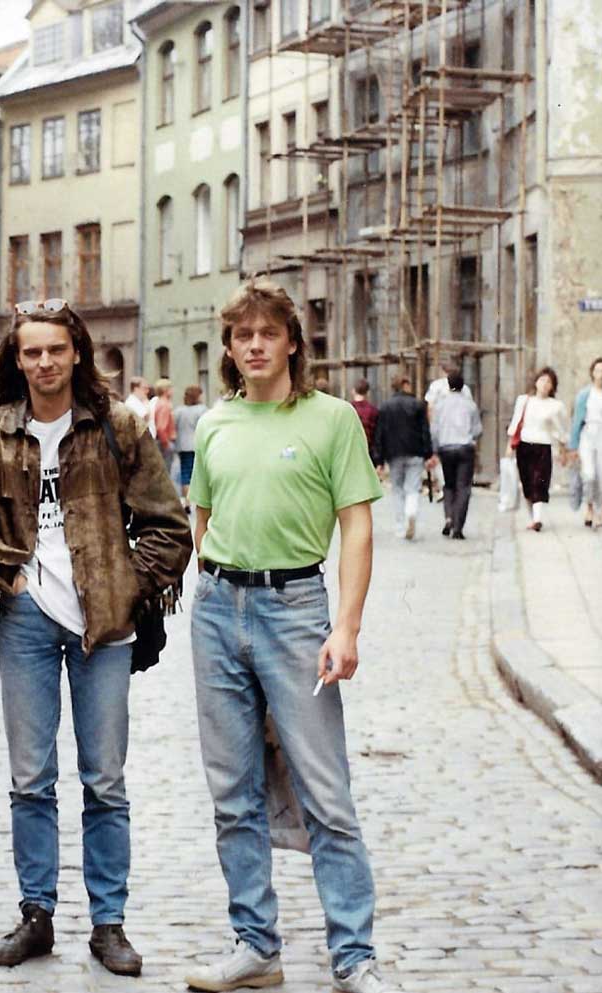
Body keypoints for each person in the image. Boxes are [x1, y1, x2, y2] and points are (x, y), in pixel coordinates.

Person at [0, 298, 192, 976]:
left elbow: (169, 527)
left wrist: (124, 584)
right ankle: (36, 915)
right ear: (17, 360)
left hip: (102, 623)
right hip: (25, 619)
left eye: (56, 349)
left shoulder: (118, 427)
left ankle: (109, 923)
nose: (45, 361)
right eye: (32, 351)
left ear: (77, 352)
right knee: (30, 777)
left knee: (105, 779)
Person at [184, 278, 397, 993]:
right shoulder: (215, 423)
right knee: (233, 790)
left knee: (324, 789)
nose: (254, 345)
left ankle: (354, 955)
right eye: (242, 335)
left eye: (267, 333)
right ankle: (255, 946)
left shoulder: (331, 419)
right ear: (229, 347)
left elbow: (357, 525)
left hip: (296, 608)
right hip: (218, 608)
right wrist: (215, 586)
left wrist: (347, 625)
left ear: (292, 343)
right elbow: (202, 517)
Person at [507, 366, 570, 532]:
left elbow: (560, 429)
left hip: (543, 446)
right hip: (524, 445)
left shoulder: (556, 406)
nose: (544, 384)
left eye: (549, 381)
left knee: (539, 481)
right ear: (536, 382)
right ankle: (533, 518)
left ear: (553, 386)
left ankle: (537, 519)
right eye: (542, 380)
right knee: (527, 483)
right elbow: (516, 423)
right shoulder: (524, 400)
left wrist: (563, 448)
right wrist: (510, 445)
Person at [373, 377, 434, 540]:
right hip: (415, 452)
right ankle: (411, 512)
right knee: (413, 488)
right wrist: (428, 454)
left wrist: (379, 460)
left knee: (397, 489)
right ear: (405, 385)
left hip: (393, 454)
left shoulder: (385, 407)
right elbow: (425, 431)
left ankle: (400, 526)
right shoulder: (418, 405)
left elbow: (380, 434)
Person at [431, 372, 482, 539]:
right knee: (463, 487)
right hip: (465, 448)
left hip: (446, 448)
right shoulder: (470, 405)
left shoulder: (440, 405)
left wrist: (434, 450)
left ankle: (448, 517)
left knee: (449, 485)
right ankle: (458, 526)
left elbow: (434, 430)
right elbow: (477, 430)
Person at [568, 357, 602, 528]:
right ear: (592, 373)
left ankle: (598, 511)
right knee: (589, 474)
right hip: (587, 435)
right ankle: (589, 506)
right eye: (598, 370)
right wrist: (573, 446)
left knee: (601, 475)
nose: (600, 374)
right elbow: (576, 421)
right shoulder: (584, 394)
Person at [175, 384, 208, 502]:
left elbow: (175, 426)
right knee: (199, 473)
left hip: (183, 446)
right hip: (198, 445)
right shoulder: (202, 410)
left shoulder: (179, 411)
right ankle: (198, 500)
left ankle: (187, 501)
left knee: (185, 473)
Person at [350, 379, 379, 464]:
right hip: (368, 451)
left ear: (353, 391)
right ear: (368, 392)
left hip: (351, 451)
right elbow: (377, 435)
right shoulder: (373, 410)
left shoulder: (348, 409)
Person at [151, 378, 177, 467]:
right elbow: (161, 427)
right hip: (165, 442)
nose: (173, 391)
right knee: (166, 469)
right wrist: (166, 444)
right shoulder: (164, 405)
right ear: (166, 390)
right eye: (171, 388)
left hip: (162, 441)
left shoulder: (159, 403)